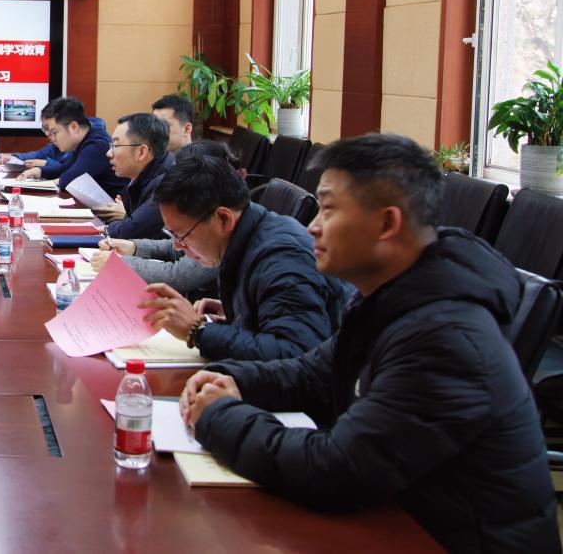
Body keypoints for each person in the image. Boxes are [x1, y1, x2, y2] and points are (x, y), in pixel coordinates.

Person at [180, 134, 557, 552]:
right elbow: (311, 373)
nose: (313, 226)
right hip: (396, 522)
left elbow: (335, 469)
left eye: (329, 209)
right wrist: (229, 378)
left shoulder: (445, 338)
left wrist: (219, 416)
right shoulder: (395, 297)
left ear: (386, 224)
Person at [140, 153, 348, 361]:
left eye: (182, 235)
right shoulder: (252, 234)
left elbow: (296, 353)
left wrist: (198, 332)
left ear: (223, 218)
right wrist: (242, 314)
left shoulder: (282, 259)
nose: (177, 245)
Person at [93, 141, 239, 296]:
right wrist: (134, 247)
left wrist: (120, 264)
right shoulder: (208, 205)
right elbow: (178, 248)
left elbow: (180, 276)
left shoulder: (217, 220)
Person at [17, 97, 127, 197]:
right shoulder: (84, 138)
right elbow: (65, 168)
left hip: (111, 209)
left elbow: (69, 181)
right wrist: (39, 170)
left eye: (54, 132)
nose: (52, 138)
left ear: (74, 127)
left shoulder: (98, 145)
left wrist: (37, 184)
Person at [91, 112, 173, 241]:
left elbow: (130, 231)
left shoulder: (167, 184)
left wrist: (110, 228)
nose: (109, 153)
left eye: (116, 146)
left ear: (142, 152)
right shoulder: (150, 175)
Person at [0, 114, 109, 176]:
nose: (49, 135)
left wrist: (46, 163)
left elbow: (69, 173)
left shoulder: (91, 145)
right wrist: (15, 157)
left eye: (53, 131)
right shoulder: (56, 145)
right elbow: (38, 154)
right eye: (46, 130)